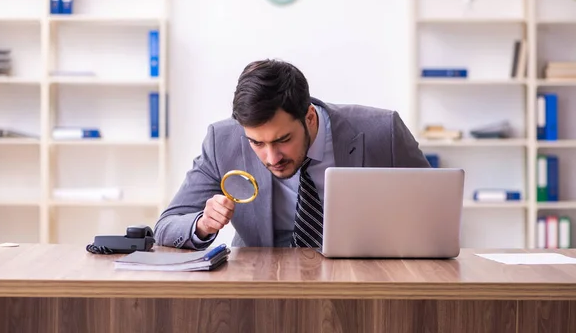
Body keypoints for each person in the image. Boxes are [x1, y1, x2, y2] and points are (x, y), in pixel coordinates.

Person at [154, 59, 430, 249]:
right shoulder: (222, 141)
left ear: (309, 117)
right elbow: (166, 226)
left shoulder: (382, 131)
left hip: (363, 274)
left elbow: (432, 211)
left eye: (283, 140)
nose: (272, 157)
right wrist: (202, 224)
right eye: (257, 143)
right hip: (263, 282)